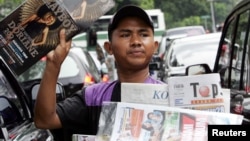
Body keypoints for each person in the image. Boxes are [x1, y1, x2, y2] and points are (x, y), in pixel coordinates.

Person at [33, 5, 164, 140]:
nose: (136, 42)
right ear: (109, 47)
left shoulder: (171, 97)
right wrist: (53, 65)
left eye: (143, 34)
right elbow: (44, 120)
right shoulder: (93, 97)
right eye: (125, 34)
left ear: (155, 46)